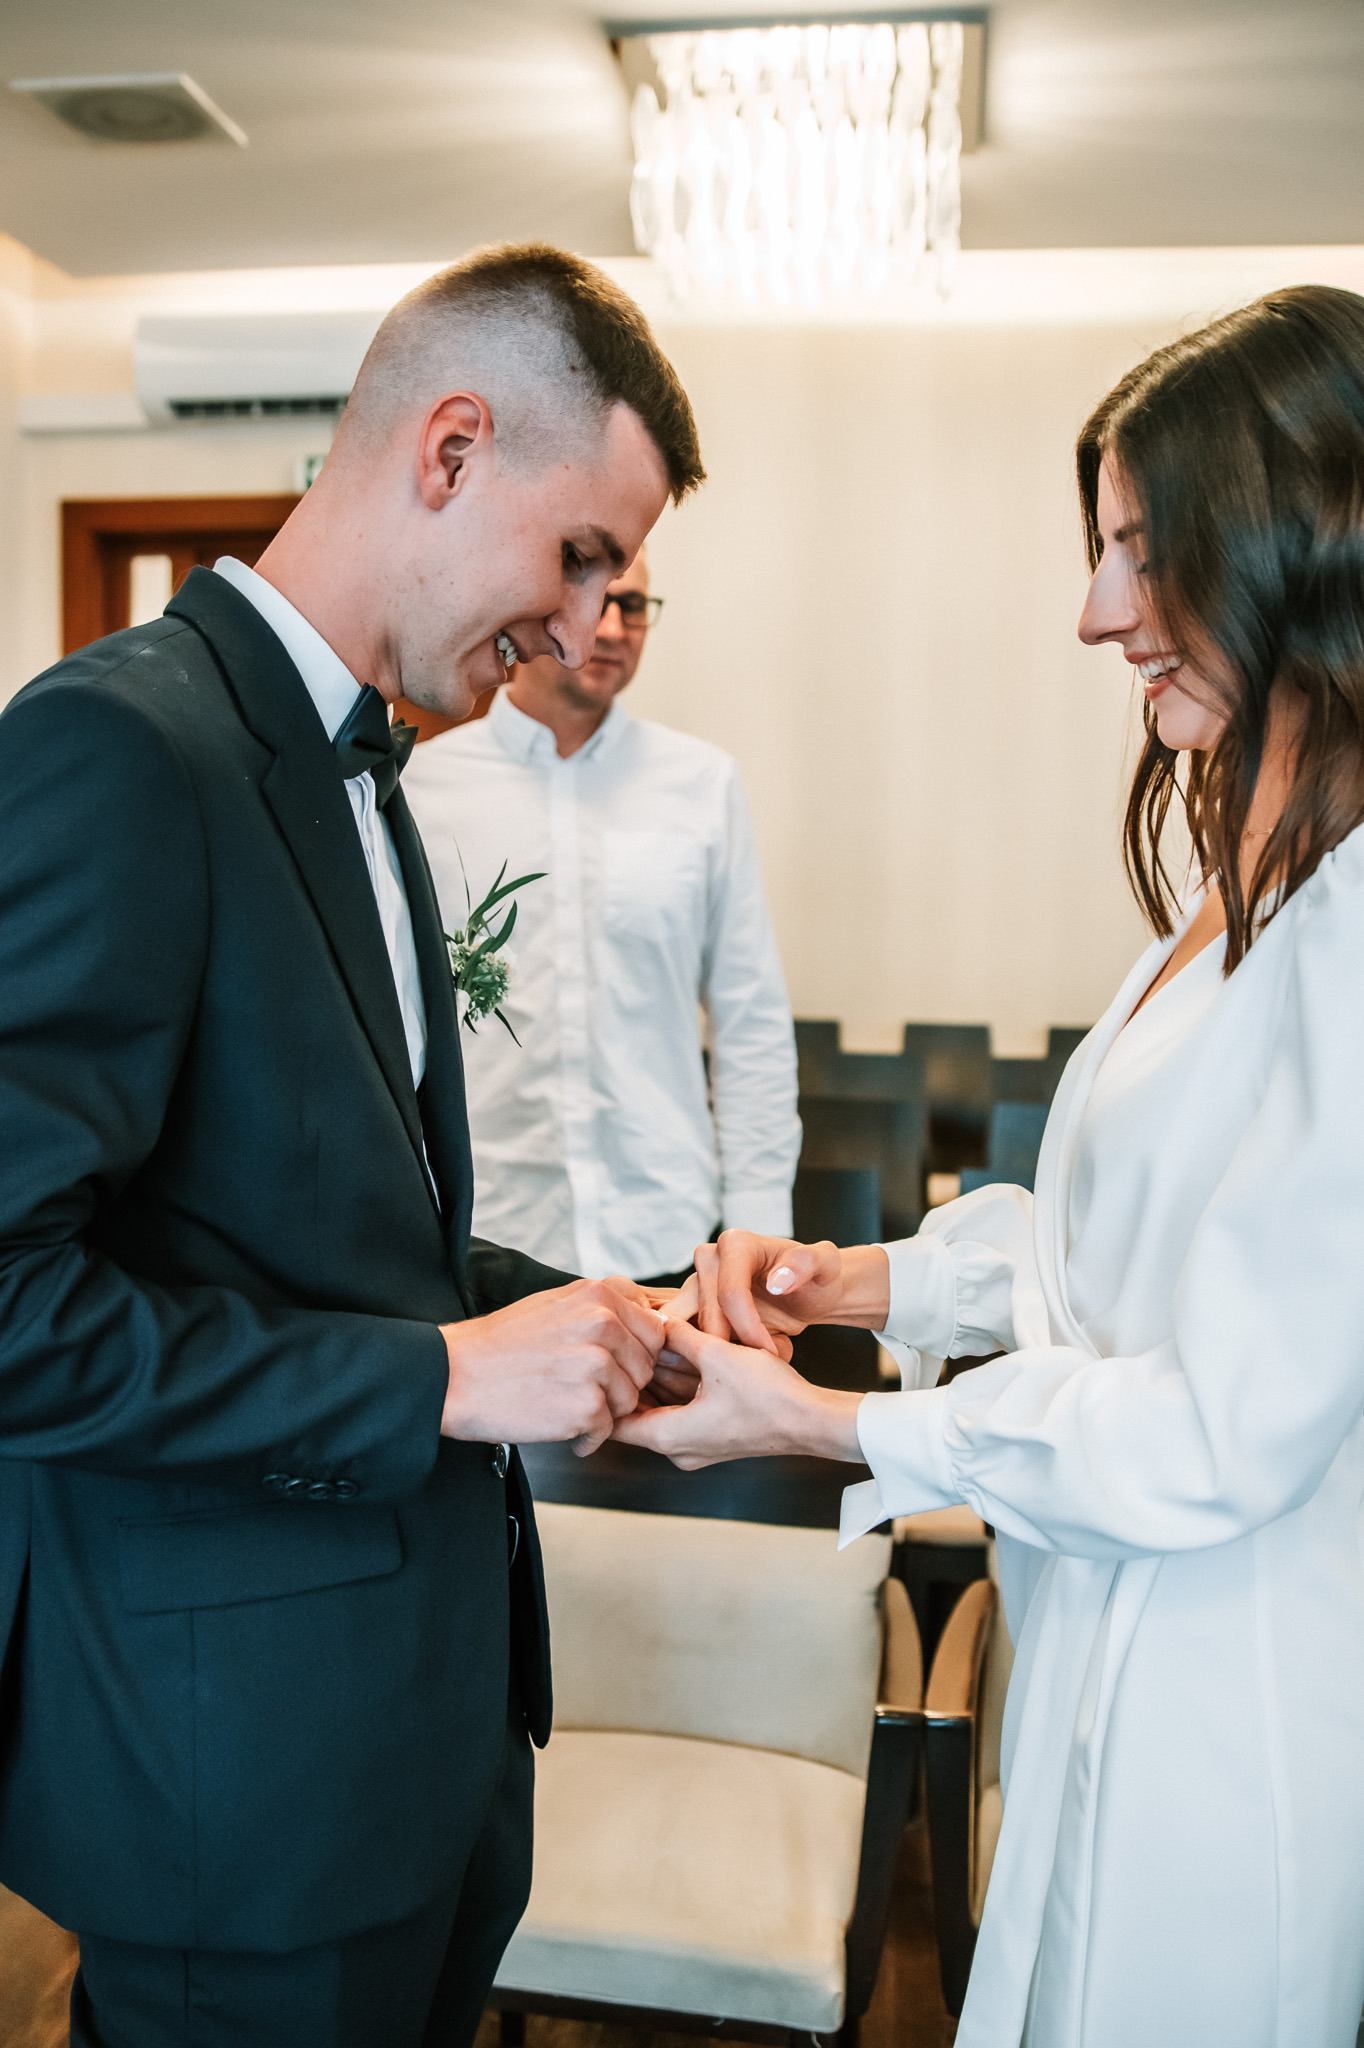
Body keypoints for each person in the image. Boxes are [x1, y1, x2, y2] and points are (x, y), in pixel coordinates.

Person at [621, 285, 1364, 2048]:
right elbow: (1109, 1258)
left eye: (1136, 547)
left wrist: (826, 1422)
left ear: (1285, 538)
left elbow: (1212, 1422)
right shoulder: (1244, 892)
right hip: (1103, 1634)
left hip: (1223, 1708)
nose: (1096, 610)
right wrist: (855, 1282)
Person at [0, 242, 704, 2048]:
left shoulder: (366, 776)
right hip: (232, 1784)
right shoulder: (117, 749)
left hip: (411, 1754)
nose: (577, 631)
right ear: (449, 447)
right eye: (578, 557)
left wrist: (630, 1313)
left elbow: (336, 1239)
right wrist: (444, 1381)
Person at [402, 545, 800, 1286]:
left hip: (666, 1237)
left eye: (634, 607)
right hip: (489, 1238)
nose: (614, 627)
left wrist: (759, 1234)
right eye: (595, 602)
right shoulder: (423, 792)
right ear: (528, 611)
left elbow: (752, 1024)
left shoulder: (702, 785)